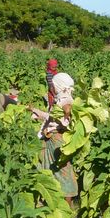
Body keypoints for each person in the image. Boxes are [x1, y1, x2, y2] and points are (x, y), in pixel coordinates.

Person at [29, 72, 77, 207]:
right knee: (55, 171)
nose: (52, 87)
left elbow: (67, 108)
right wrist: (36, 112)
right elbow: (52, 117)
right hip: (54, 138)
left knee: (63, 172)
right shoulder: (61, 98)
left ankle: (67, 207)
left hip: (58, 139)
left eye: (54, 85)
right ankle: (54, 202)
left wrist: (67, 120)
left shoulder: (64, 97)